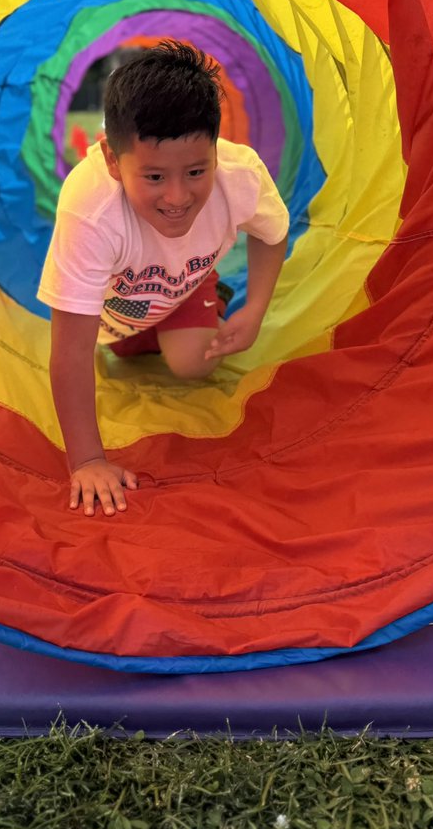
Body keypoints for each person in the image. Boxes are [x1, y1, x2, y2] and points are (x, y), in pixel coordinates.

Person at [37, 40, 289, 518]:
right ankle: (159, 324)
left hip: (184, 287)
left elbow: (273, 234)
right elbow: (69, 350)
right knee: (119, 351)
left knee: (193, 364)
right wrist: (87, 460)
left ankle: (208, 292)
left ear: (216, 147)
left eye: (196, 171)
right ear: (113, 160)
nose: (177, 196)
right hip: (118, 310)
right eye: (153, 177)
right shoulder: (91, 210)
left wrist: (255, 309)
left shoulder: (241, 177)